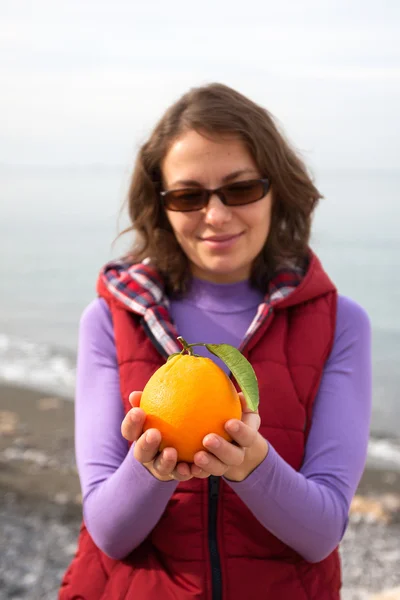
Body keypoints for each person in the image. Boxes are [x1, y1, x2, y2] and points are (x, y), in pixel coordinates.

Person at [59, 83, 372, 600]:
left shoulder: (340, 322)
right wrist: (149, 469)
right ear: (161, 206)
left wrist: (252, 467)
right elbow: (110, 534)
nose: (217, 215)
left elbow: (321, 534)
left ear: (277, 189)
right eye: (188, 195)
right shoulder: (110, 319)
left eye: (241, 189)